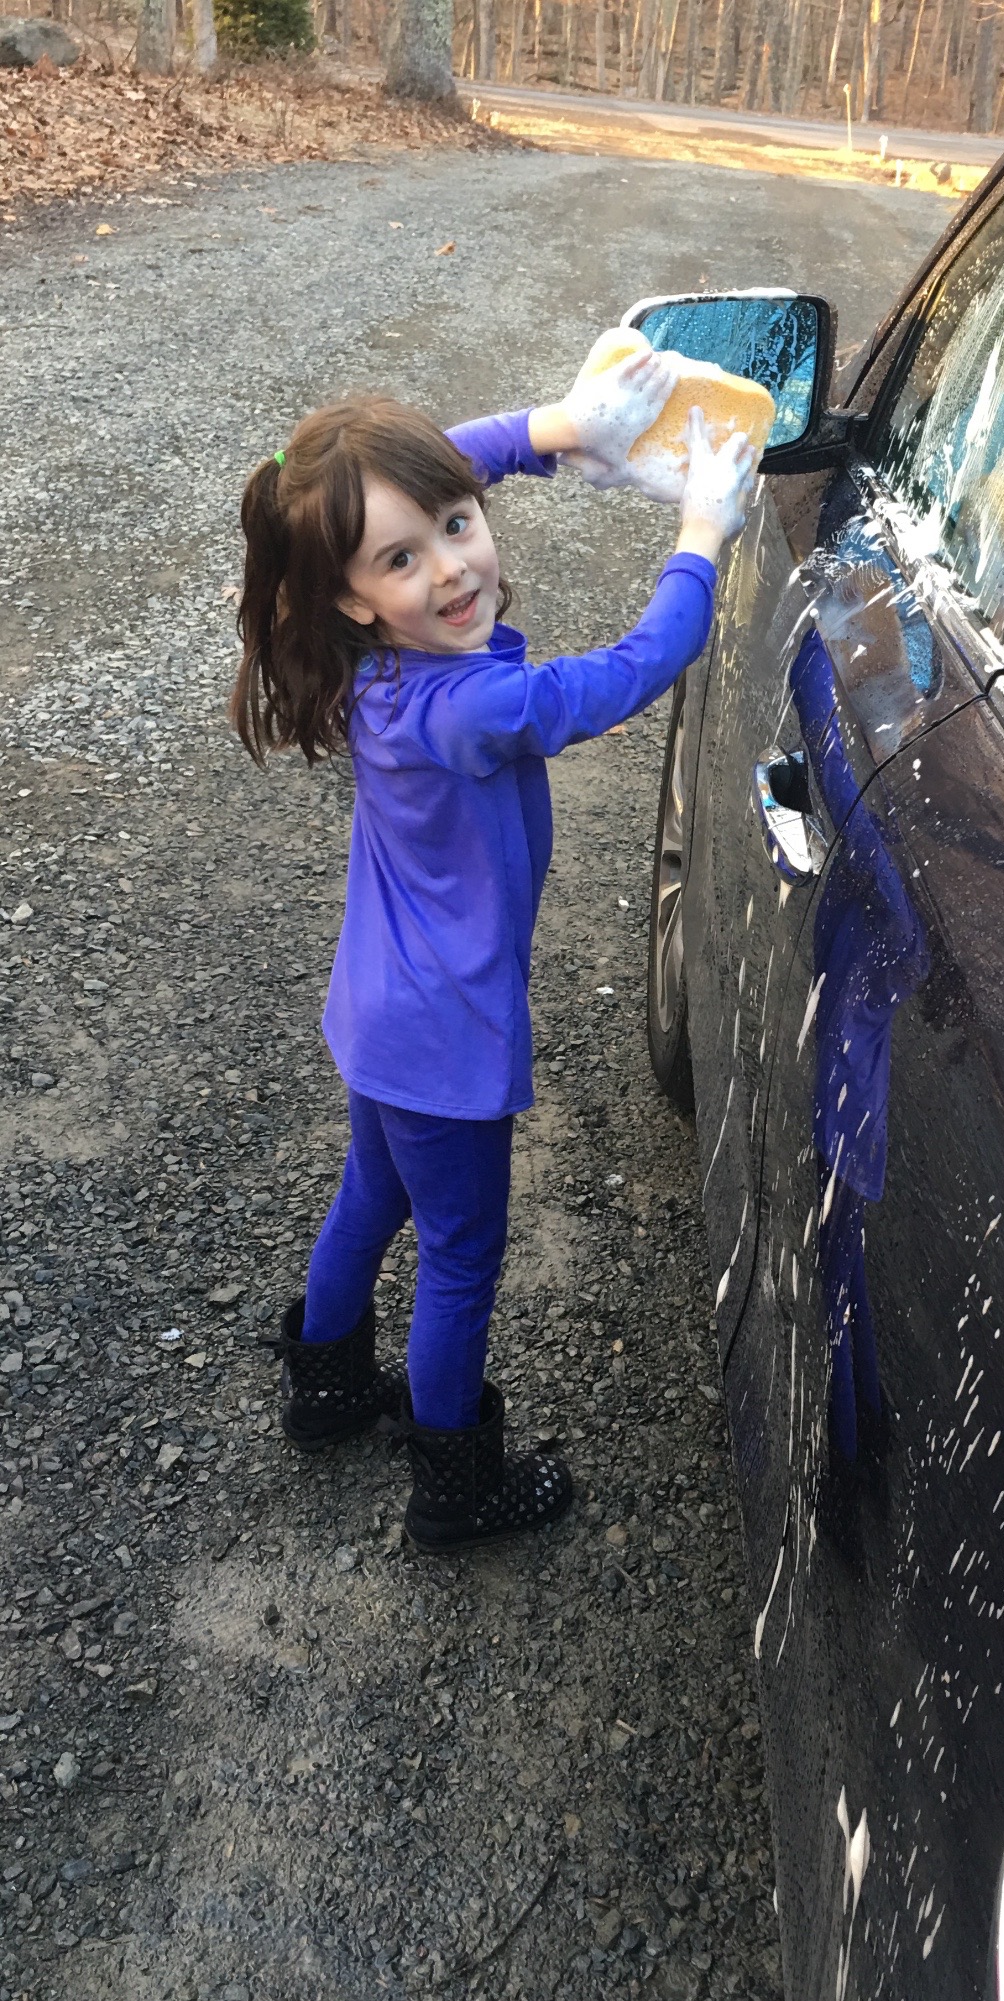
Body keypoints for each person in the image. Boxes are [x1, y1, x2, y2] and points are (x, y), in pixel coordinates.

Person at [229, 347, 759, 1554]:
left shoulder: (371, 663)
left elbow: (422, 477)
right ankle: (455, 1485)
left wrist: (553, 427)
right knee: (462, 1256)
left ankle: (327, 1384)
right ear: (353, 596)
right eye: (402, 561)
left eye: (457, 525)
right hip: (443, 1040)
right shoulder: (471, 705)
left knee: (372, 1192)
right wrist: (701, 531)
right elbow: (636, 669)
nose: (452, 568)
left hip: (378, 1013)